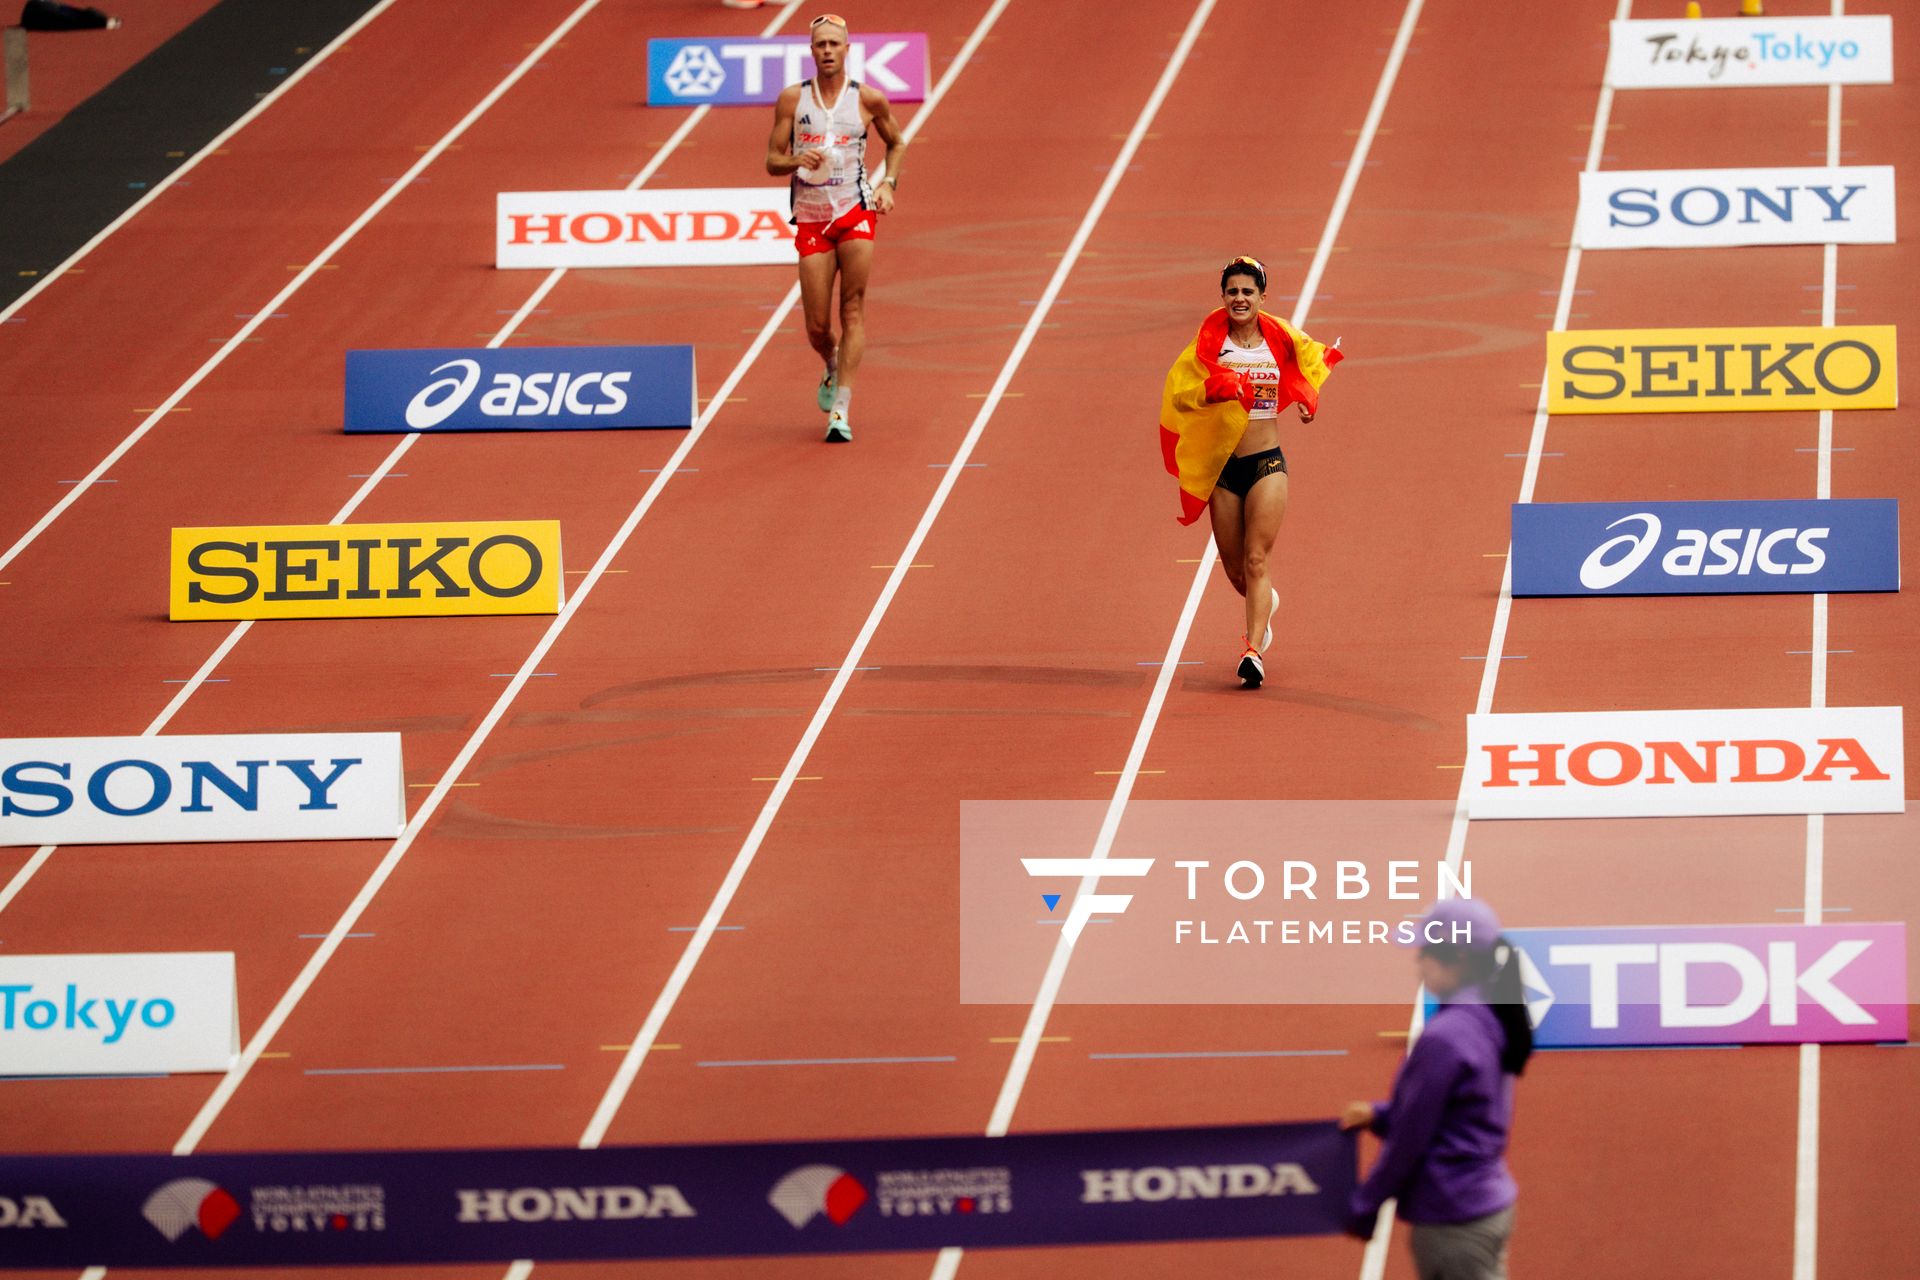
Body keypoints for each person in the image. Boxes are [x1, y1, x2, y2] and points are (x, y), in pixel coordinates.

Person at [1157, 256, 1341, 688]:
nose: (1240, 299)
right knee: (1238, 571)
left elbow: (1310, 367)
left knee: (1258, 558)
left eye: (1248, 291)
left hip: (1266, 462)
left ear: (1262, 297)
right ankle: (1265, 604)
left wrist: (1308, 400)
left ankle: (1252, 651)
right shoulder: (1206, 346)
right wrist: (1211, 389)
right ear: (1223, 297)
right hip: (1223, 469)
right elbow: (1179, 398)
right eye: (1233, 291)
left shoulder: (1279, 339)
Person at [1341, 897, 1533, 1280]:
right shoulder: (1487, 1015)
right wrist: (1378, 1115)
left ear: (1457, 957)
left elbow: (1410, 1138)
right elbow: (1450, 1109)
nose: (1418, 960)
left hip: (1453, 1222)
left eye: (1427, 950)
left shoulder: (1445, 1038)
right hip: (1485, 1205)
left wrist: (1365, 1206)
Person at [764, 14, 906, 442]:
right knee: (817, 327)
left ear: (847, 49)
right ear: (811, 51)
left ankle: (840, 411)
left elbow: (896, 143)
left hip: (855, 211)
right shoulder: (792, 100)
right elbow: (772, 159)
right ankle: (832, 362)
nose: (827, 51)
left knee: (853, 308)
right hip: (810, 218)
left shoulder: (869, 100)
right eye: (820, 44)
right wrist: (796, 161)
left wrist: (888, 182)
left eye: (834, 44)